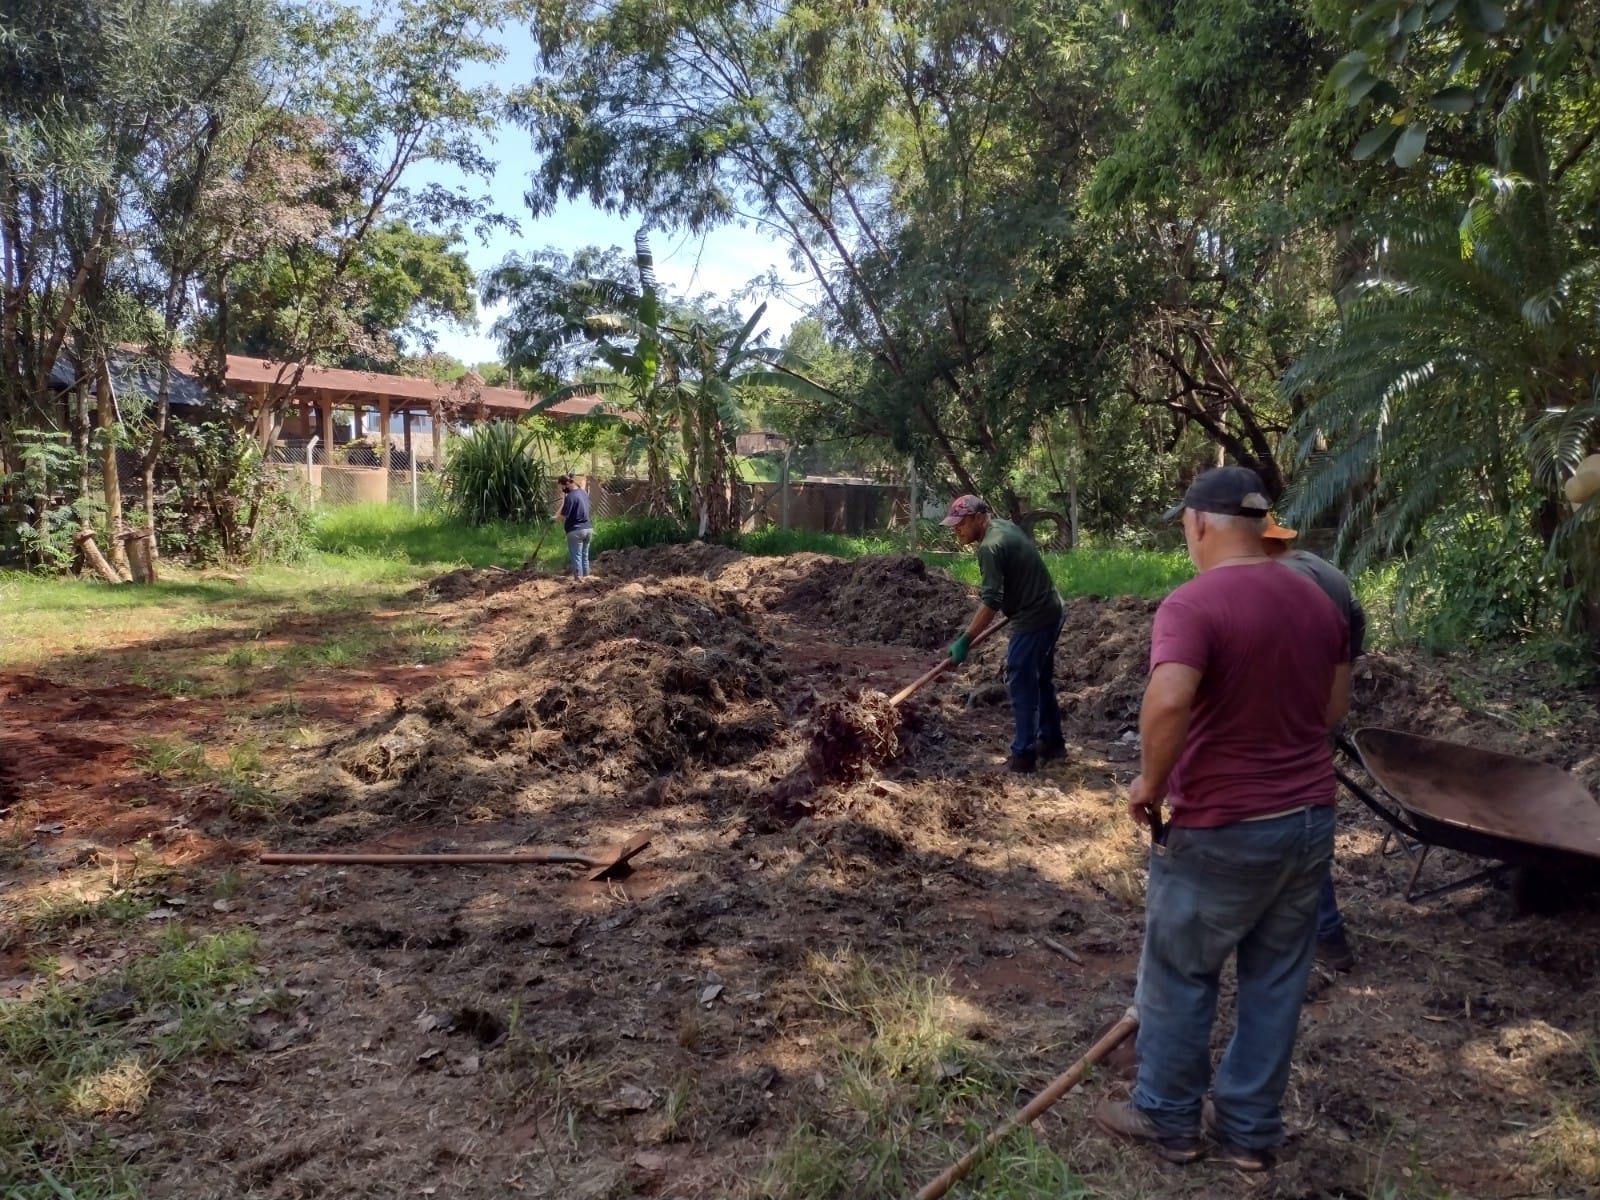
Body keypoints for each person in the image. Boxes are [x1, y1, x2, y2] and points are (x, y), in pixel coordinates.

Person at [1092, 466, 1351, 1172]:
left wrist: (1150, 779)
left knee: (1181, 971)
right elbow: (1330, 713)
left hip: (1223, 823)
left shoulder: (1192, 603)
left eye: (1184, 525)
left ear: (1200, 523)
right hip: (1308, 822)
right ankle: (1248, 1134)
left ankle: (1169, 1119)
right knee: (1275, 982)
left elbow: (1171, 699)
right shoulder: (1318, 601)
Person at [1263, 514, 1366, 972]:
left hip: (1287, 717)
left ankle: (1326, 934)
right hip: (1322, 706)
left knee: (1286, 817)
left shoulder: (1276, 581)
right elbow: (1355, 627)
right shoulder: (1326, 570)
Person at [941, 494, 1065, 773]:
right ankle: (1052, 743)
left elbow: (991, 601)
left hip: (1034, 618)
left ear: (978, 517)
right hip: (1052, 607)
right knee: (1041, 679)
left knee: (1022, 680)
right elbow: (1016, 574)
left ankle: (1023, 755)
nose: (956, 529)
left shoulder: (989, 547)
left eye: (961, 523)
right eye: (954, 525)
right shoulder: (1004, 527)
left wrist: (965, 640)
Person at [556, 474, 593, 580]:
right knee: (584, 556)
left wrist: (554, 519)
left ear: (567, 484)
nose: (563, 490)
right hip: (588, 529)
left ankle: (578, 579)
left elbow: (562, 517)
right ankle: (587, 578)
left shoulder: (570, 497)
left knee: (576, 556)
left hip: (575, 531)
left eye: (562, 487)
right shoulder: (584, 493)